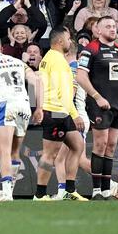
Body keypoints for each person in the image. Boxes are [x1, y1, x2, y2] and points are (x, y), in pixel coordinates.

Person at [0, 36, 43, 201]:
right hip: (24, 105)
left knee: (4, 151)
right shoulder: (18, 62)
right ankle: (9, 189)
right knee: (14, 152)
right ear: (1, 48)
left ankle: (6, 192)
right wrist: (39, 107)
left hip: (5, 105)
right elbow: (37, 81)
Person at [76, 16, 118, 200]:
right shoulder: (90, 50)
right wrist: (97, 97)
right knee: (100, 144)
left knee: (112, 146)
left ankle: (107, 190)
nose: (112, 29)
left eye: (114, 26)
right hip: (99, 105)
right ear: (98, 30)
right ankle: (96, 190)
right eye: (108, 26)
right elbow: (81, 77)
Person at [34, 26, 86, 201]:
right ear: (59, 41)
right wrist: (75, 114)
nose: (70, 41)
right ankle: (40, 194)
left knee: (78, 145)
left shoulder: (50, 58)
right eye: (68, 38)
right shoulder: (57, 61)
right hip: (56, 111)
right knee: (50, 154)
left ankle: (69, 191)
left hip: (58, 110)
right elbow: (62, 92)